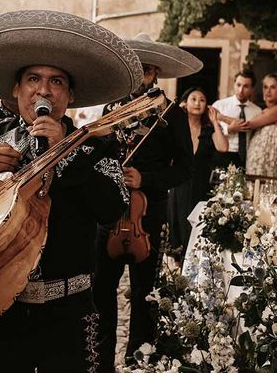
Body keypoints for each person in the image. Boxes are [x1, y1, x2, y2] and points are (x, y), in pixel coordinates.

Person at [0, 10, 142, 372]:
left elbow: (113, 208)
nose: (43, 90)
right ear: (16, 88)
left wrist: (66, 154)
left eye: (56, 81)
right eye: (33, 78)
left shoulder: (94, 147)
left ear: (70, 94)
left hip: (69, 311)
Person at [94, 33, 199, 372]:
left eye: (147, 70)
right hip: (108, 211)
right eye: (135, 69)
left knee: (144, 291)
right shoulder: (112, 108)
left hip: (147, 213)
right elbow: (98, 154)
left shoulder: (172, 115)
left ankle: (138, 355)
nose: (140, 76)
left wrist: (146, 180)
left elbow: (185, 168)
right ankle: (102, 357)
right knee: (102, 289)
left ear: (156, 73)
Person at [168, 87, 228, 254]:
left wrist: (215, 121)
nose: (197, 103)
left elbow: (222, 147)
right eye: (193, 99)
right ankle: (177, 263)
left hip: (201, 185)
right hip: (178, 184)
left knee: (196, 228)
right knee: (176, 228)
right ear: (185, 103)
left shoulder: (209, 129)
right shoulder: (177, 127)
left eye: (202, 100)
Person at [243, 73, 277, 178]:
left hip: (274, 169)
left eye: (273, 87)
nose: (268, 91)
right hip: (258, 169)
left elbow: (248, 124)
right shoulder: (262, 111)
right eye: (265, 87)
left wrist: (221, 117)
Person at [212, 69, 262, 169]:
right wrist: (228, 130)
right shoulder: (219, 106)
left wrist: (222, 117)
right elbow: (211, 133)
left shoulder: (257, 111)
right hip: (224, 154)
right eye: (238, 85)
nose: (241, 90)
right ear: (234, 84)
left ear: (252, 89)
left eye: (246, 86)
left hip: (248, 157)